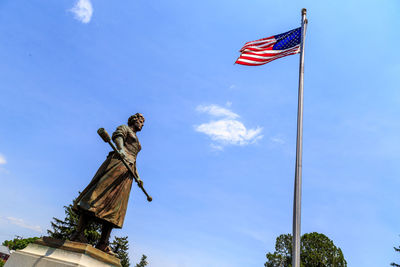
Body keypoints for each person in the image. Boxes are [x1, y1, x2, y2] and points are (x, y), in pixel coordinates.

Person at [71, 113, 145, 254]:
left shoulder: (138, 141)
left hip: (127, 173)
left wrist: (138, 177)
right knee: (97, 198)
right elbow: (117, 136)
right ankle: (78, 233)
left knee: (114, 208)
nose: (142, 125)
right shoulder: (125, 128)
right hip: (117, 165)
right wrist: (121, 149)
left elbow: (134, 160)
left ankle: (103, 242)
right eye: (141, 121)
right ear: (134, 120)